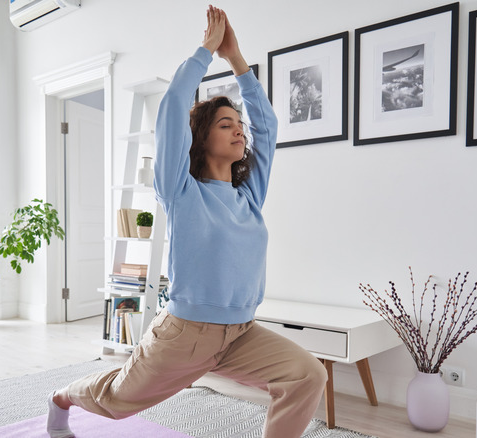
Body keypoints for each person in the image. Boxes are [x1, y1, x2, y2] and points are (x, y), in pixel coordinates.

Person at [47, 6, 327, 438]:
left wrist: (238, 60)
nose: (239, 131)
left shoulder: (248, 196)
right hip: (183, 337)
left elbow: (267, 127)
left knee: (308, 374)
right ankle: (62, 397)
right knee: (116, 401)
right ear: (201, 138)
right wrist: (206, 52)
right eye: (225, 124)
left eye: (239, 126)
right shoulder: (180, 190)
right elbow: (175, 104)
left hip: (241, 334)